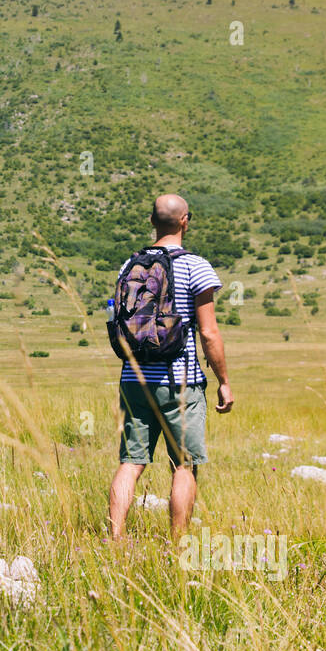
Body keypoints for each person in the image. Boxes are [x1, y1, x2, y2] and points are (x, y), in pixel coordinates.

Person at [107, 194, 233, 541]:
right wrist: (223, 380)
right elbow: (208, 331)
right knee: (183, 464)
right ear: (185, 221)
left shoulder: (128, 265)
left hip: (133, 378)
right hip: (181, 383)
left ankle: (114, 540)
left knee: (131, 463)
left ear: (152, 221)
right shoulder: (197, 267)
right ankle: (177, 546)